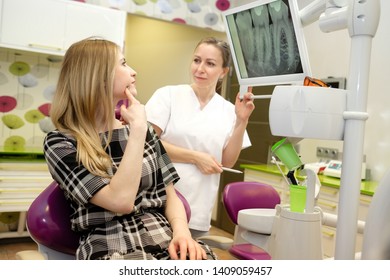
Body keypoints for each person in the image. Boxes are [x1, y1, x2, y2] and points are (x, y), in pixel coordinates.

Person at [43, 37, 217, 260]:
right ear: (98, 77)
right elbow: (121, 201)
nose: (134, 72)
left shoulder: (142, 130)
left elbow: (170, 194)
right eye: (124, 64)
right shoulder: (61, 143)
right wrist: (137, 131)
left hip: (164, 237)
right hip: (110, 246)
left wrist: (183, 234)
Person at [145, 37, 255, 238]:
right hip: (156, 202)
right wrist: (196, 157)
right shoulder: (168, 95)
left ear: (223, 72)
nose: (200, 68)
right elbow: (146, 144)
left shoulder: (229, 110)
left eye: (210, 64)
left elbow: (227, 161)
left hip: (198, 208)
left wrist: (241, 122)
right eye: (197, 60)